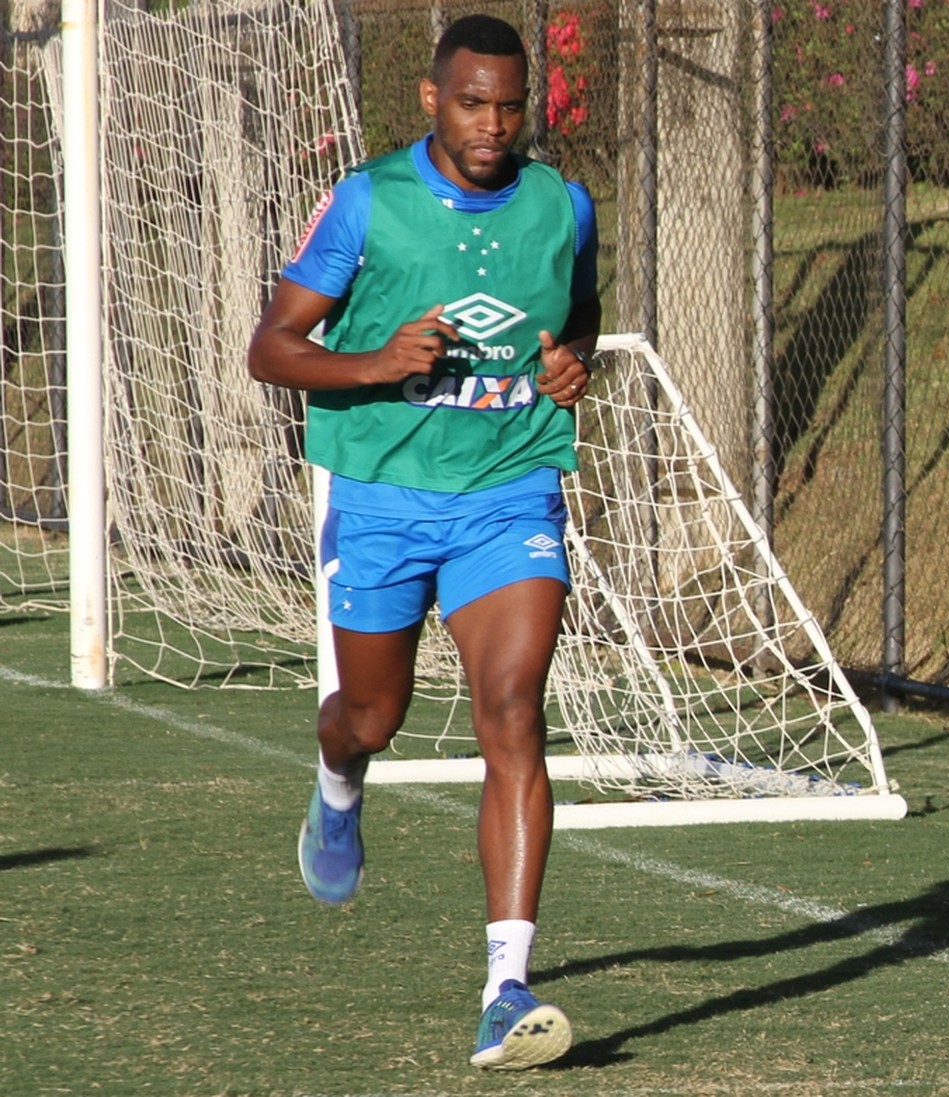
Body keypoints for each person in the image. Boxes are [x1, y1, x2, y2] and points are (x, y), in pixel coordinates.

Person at [247, 13, 600, 1071]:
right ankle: (340, 781)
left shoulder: (562, 204)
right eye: (470, 103)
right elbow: (271, 348)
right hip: (386, 492)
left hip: (509, 486)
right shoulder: (369, 202)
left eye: (509, 106)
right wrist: (377, 361)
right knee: (374, 710)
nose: (492, 125)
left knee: (513, 709)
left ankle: (506, 986)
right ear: (429, 99)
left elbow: (577, 316)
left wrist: (574, 362)